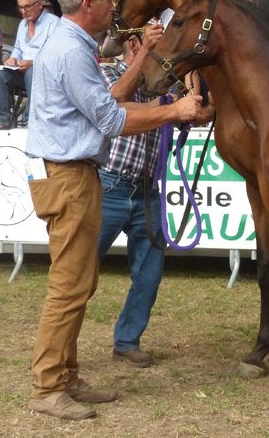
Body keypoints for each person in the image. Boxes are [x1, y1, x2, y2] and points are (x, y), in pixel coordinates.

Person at [25, 0, 211, 421]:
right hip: (70, 176)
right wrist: (175, 111)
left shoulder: (69, 44)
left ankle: (65, 377)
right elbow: (111, 120)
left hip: (73, 174)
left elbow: (107, 100)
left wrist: (143, 52)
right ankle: (48, 387)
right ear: (88, 4)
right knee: (69, 288)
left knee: (78, 284)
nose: (115, 9)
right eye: (110, 1)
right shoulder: (71, 51)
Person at [98, 25, 167, 370]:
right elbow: (116, 101)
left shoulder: (161, 82)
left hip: (146, 189)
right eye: (155, 42)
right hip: (109, 184)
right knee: (79, 272)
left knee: (149, 274)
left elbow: (191, 107)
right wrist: (166, 108)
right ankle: (60, 345)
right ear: (136, 43)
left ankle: (127, 341)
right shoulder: (108, 71)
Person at [0, 0, 59, 129]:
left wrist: (33, 63)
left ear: (39, 4)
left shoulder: (53, 23)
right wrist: (12, 59)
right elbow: (18, 49)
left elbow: (56, 54)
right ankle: (2, 120)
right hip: (21, 72)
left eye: (27, 6)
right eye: (21, 8)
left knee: (32, 71)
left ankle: (30, 121)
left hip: (45, 75)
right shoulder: (23, 24)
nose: (24, 11)